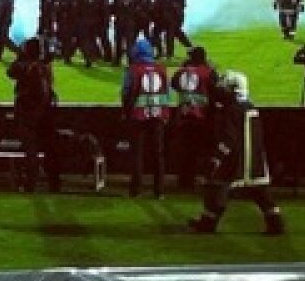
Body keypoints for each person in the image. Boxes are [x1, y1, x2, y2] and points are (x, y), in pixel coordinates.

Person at [187, 70, 286, 235]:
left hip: (237, 159)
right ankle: (276, 223)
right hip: (254, 160)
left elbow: (229, 138)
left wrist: (217, 157)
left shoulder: (232, 110)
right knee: (260, 193)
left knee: (218, 190)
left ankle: (208, 223)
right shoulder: (250, 107)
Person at [120, 37, 172, 198]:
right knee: (158, 153)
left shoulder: (132, 70)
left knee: (137, 153)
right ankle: (159, 191)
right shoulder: (162, 69)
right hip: (158, 116)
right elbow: (167, 93)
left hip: (138, 117)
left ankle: (136, 190)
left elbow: (126, 92)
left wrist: (125, 111)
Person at [7, 37, 61, 192]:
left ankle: (31, 182)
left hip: (30, 113)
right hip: (45, 113)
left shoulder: (28, 67)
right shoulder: (44, 66)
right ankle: (53, 182)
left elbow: (11, 72)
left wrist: (20, 56)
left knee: (31, 149)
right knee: (49, 149)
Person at [169, 46, 217, 193]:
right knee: (203, 151)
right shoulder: (208, 72)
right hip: (202, 117)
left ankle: (185, 181)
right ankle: (205, 179)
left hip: (183, 117)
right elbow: (215, 90)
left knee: (185, 151)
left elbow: (174, 84)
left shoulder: (182, 72)